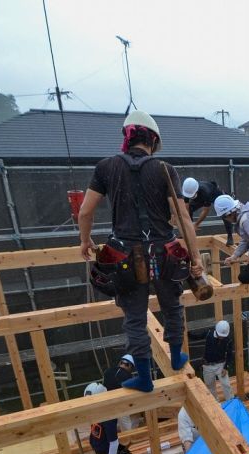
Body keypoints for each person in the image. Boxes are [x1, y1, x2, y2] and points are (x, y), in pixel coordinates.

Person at [78, 110, 203, 391]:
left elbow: (85, 212)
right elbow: (183, 218)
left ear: (127, 138)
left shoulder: (106, 167)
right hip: (164, 254)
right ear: (154, 141)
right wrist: (195, 259)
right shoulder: (163, 169)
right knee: (172, 306)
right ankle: (175, 357)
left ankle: (145, 378)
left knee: (135, 317)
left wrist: (85, 240)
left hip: (124, 256)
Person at [181, 177, 232, 245]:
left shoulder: (205, 192)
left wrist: (196, 224)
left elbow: (205, 211)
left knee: (225, 213)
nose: (189, 197)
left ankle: (230, 236)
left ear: (196, 190)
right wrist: (189, 225)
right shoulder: (188, 191)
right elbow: (186, 207)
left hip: (216, 196)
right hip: (200, 196)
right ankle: (190, 233)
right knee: (190, 208)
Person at [201, 320, 233, 401]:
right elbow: (197, 336)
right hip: (207, 365)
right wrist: (186, 334)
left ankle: (231, 402)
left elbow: (229, 354)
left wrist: (226, 367)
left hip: (220, 365)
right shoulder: (209, 333)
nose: (222, 337)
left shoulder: (228, 339)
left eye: (223, 336)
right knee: (210, 386)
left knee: (226, 385)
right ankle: (215, 404)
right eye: (220, 335)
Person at [104, 354, 136, 431]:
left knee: (109, 424)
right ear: (130, 366)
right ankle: (128, 439)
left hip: (106, 401)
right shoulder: (127, 376)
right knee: (126, 425)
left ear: (120, 362)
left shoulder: (108, 371)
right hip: (120, 403)